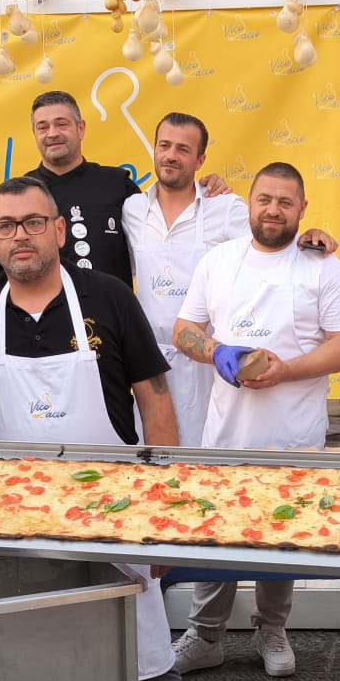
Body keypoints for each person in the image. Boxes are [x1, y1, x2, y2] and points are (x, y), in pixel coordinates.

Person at [0, 179, 244, 681]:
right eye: (6, 225)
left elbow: (155, 398)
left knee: (146, 646)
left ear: (59, 230)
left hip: (114, 506)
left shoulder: (109, 297)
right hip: (23, 516)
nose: (21, 235)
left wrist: (162, 511)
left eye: (34, 221)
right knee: (21, 645)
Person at [168, 163, 340, 679]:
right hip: (225, 433)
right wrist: (216, 352)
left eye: (285, 202)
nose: (273, 210)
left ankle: (272, 629)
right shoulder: (219, 260)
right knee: (216, 533)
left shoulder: (324, 268)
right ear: (250, 203)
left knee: (282, 538)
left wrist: (286, 371)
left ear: (302, 209)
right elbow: (184, 328)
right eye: (265, 199)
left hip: (292, 435)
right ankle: (205, 634)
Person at [122, 112, 249, 444]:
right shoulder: (132, 209)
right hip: (149, 362)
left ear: (200, 160)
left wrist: (310, 240)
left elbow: (269, 252)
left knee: (206, 454)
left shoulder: (225, 208)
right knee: (151, 457)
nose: (171, 156)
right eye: (164, 146)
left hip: (205, 362)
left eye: (183, 149)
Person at [0, 91, 142, 288]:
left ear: (81, 129)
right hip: (41, 307)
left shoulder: (117, 184)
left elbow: (151, 254)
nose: (52, 134)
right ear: (35, 134)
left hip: (111, 306)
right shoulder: (18, 195)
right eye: (43, 127)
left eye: (61, 124)